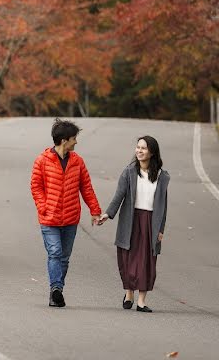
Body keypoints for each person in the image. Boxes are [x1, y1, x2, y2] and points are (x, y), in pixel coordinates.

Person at [30, 118, 102, 308]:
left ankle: (58, 290)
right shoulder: (42, 161)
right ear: (64, 140)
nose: (76, 142)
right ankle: (55, 289)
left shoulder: (78, 161)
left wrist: (95, 211)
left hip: (70, 219)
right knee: (55, 252)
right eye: (73, 139)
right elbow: (36, 187)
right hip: (49, 218)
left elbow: (86, 187)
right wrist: (43, 206)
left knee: (64, 257)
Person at [98, 135, 170, 313]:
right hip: (131, 220)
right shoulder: (129, 172)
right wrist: (108, 213)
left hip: (150, 223)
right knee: (128, 257)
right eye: (138, 147)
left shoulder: (161, 176)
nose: (139, 151)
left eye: (143, 148)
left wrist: (160, 229)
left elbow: (163, 205)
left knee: (147, 260)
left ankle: (141, 301)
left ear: (152, 152)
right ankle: (129, 292)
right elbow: (119, 195)